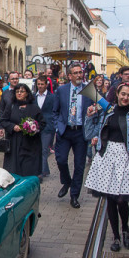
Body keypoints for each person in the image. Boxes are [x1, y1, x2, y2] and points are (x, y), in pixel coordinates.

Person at [85, 82, 129, 251]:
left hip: (127, 159)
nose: (125, 97)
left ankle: (125, 228)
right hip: (107, 157)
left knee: (122, 199)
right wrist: (89, 116)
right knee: (111, 199)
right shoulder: (108, 112)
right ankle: (116, 236)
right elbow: (89, 132)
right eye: (123, 94)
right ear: (117, 94)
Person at [52, 63, 95, 208]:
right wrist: (58, 126)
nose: (78, 75)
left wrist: (94, 110)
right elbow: (55, 111)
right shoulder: (62, 90)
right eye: (75, 73)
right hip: (65, 130)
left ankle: (74, 195)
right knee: (61, 159)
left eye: (80, 72)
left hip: (81, 132)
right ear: (69, 75)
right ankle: (66, 181)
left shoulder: (89, 89)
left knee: (79, 165)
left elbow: (101, 106)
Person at [0, 84, 46, 177]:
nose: (19, 93)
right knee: (15, 170)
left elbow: (42, 123)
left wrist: (33, 128)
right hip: (15, 142)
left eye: (22, 91)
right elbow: (3, 120)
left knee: (29, 169)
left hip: (30, 143)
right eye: (17, 92)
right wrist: (13, 127)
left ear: (27, 93)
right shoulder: (11, 106)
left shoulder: (34, 107)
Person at [35, 76, 56, 177]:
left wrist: (53, 125)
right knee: (38, 149)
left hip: (47, 127)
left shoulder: (52, 97)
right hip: (36, 127)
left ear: (46, 85)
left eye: (42, 84)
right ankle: (45, 169)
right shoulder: (34, 97)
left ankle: (41, 171)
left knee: (44, 149)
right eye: (38, 84)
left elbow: (55, 111)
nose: (40, 86)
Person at [0, 72, 20, 137]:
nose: (15, 80)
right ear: (8, 80)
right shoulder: (5, 93)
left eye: (16, 78)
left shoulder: (23, 91)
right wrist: (0, 126)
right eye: (13, 79)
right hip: (9, 125)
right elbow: (1, 110)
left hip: (21, 125)